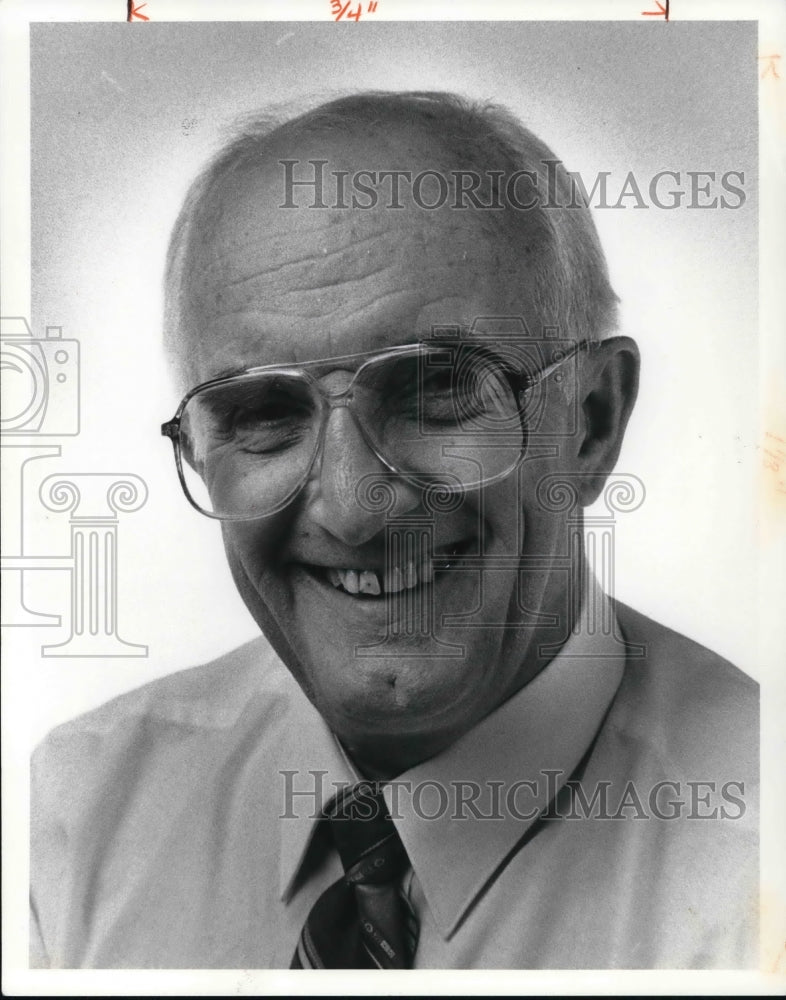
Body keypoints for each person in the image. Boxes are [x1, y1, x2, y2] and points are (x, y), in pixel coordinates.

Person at [30, 91, 757, 970]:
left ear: (593, 421)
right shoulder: (73, 821)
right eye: (261, 412)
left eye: (436, 390)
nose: (350, 504)